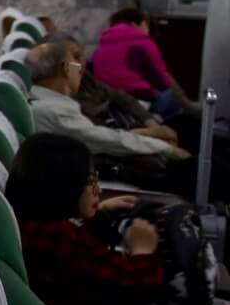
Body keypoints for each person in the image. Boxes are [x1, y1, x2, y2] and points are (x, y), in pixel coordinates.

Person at [5, 133, 230, 305]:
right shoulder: (57, 239)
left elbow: (83, 267)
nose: (98, 191)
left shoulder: (32, 227)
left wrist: (98, 218)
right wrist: (142, 249)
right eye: (90, 182)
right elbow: (138, 285)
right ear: (62, 187)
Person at [24, 41, 200, 195]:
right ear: (65, 69)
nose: (81, 69)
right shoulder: (53, 110)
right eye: (75, 64)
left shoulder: (51, 101)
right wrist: (166, 149)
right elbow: (105, 139)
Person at [59, 36, 176, 142]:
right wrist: (149, 133)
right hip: (115, 142)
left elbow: (121, 97)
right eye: (74, 57)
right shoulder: (64, 100)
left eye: (81, 55)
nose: (80, 61)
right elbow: (97, 137)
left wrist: (149, 122)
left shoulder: (86, 78)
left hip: (123, 126)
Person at [91, 8, 195, 122]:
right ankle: (155, 121)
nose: (148, 29)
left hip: (107, 99)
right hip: (136, 99)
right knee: (170, 96)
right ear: (134, 24)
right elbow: (163, 82)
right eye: (146, 24)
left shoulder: (101, 46)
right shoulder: (143, 42)